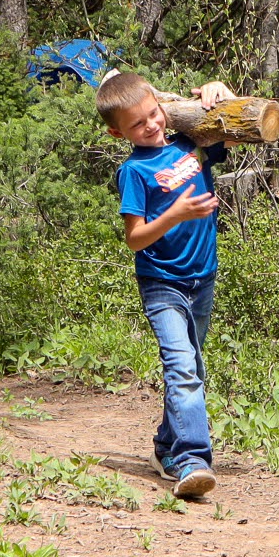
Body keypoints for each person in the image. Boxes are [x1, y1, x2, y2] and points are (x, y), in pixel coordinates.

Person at [96, 70, 236, 500]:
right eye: (137, 124)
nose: (151, 125)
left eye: (154, 114)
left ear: (163, 106)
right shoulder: (134, 172)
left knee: (192, 368)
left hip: (202, 278)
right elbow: (135, 238)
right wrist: (176, 213)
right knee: (183, 368)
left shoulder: (189, 144)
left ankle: (165, 447)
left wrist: (220, 92)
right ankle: (193, 460)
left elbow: (235, 127)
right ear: (118, 133)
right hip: (162, 284)